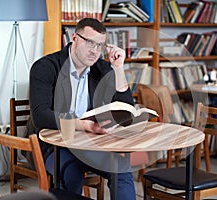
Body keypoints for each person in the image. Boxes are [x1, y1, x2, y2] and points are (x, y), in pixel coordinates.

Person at [27, 18, 136, 200]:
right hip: (54, 144)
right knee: (72, 174)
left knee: (122, 170)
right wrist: (84, 125)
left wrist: (118, 69)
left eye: (100, 45)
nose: (95, 51)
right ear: (74, 37)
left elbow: (127, 111)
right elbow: (41, 116)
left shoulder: (102, 69)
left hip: (90, 143)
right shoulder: (45, 67)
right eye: (90, 43)